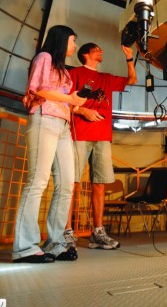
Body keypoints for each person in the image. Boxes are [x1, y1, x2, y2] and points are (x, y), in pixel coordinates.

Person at [12, 25, 87, 264]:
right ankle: (24, 247)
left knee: (66, 185)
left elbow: (65, 100)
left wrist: (78, 102)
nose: (74, 46)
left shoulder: (64, 71)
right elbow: (40, 89)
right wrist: (69, 98)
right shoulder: (44, 57)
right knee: (38, 181)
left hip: (63, 125)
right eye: (73, 41)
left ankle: (56, 244)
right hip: (44, 118)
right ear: (62, 39)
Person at [64, 42, 137, 250]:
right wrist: (83, 111)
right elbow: (66, 101)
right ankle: (68, 232)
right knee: (72, 183)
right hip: (80, 134)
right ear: (86, 54)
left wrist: (129, 59)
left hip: (102, 136)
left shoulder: (106, 78)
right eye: (97, 49)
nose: (101, 51)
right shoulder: (75, 73)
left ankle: (98, 232)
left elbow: (132, 80)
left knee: (100, 184)